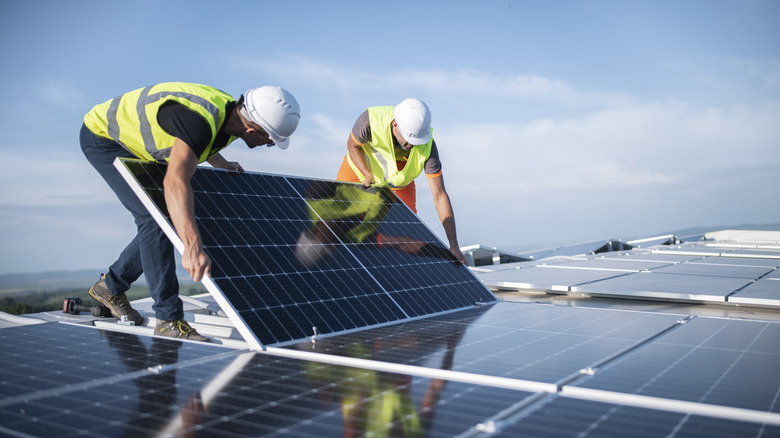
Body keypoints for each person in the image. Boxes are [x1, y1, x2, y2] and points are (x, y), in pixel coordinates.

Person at [80, 82, 300, 341]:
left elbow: (199, 142)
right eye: (271, 138)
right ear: (252, 129)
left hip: (138, 146)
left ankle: (110, 287)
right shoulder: (200, 120)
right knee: (155, 219)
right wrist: (192, 247)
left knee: (173, 216)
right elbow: (175, 180)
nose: (271, 145)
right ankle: (168, 319)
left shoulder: (232, 115)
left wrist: (221, 162)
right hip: (105, 138)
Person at [336, 98, 466, 264]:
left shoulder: (428, 148)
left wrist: (453, 244)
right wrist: (366, 174)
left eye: (416, 141)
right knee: (341, 224)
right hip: (359, 174)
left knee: (407, 232)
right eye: (408, 139)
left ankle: (390, 272)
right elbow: (352, 145)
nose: (411, 145)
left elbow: (439, 196)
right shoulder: (370, 120)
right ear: (395, 125)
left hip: (400, 183)